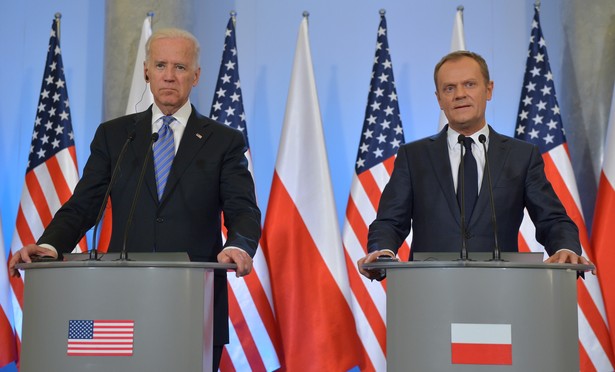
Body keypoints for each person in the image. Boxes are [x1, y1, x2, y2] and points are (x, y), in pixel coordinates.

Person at [9, 28, 260, 371]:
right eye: (160, 65)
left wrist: (240, 246)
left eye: (180, 67)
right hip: (119, 302)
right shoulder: (115, 136)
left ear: (197, 76)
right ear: (146, 71)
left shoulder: (224, 141)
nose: (169, 76)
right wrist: (50, 246)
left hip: (193, 303)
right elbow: (84, 205)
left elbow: (242, 208)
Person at [358, 50, 593, 280]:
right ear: (439, 98)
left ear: (488, 90)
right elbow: (389, 221)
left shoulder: (521, 156)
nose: (460, 94)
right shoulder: (413, 156)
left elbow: (552, 219)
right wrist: (383, 251)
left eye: (469, 84)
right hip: (430, 290)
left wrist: (565, 248)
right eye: (449, 88)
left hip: (503, 291)